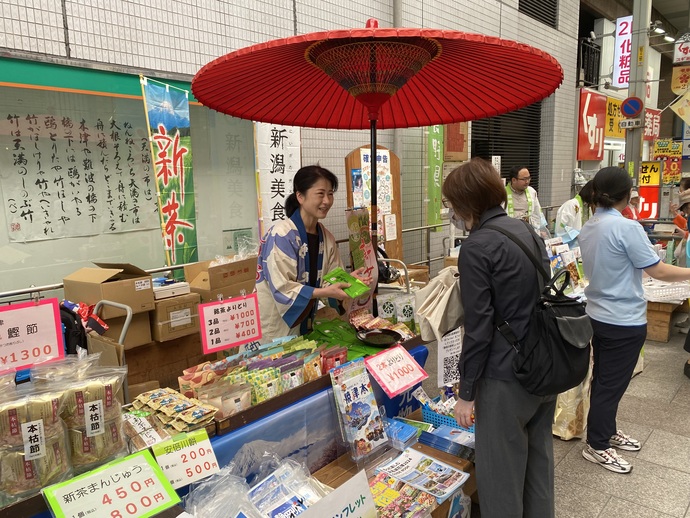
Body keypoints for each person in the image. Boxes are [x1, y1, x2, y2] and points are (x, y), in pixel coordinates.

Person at [443, 158, 556, 518]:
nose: (451, 212)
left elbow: (478, 329)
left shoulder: (477, 248)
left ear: (466, 204)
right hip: (543, 365)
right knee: (539, 463)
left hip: (504, 377)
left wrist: (466, 393)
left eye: (451, 205)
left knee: (500, 476)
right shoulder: (528, 232)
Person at [579, 166, 690, 474]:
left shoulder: (590, 225)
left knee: (604, 379)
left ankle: (606, 430)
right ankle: (597, 444)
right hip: (623, 319)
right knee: (610, 384)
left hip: (598, 315)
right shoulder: (627, 227)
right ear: (627, 195)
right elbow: (659, 270)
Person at [256, 165, 368, 340]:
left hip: (305, 326)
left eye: (330, 194)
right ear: (300, 196)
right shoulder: (281, 235)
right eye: (320, 193)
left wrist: (349, 282)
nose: (327, 201)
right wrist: (325, 292)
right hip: (274, 328)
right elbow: (283, 288)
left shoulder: (326, 238)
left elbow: (331, 280)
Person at [504, 165, 547, 234]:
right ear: (514, 180)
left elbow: (537, 212)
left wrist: (539, 228)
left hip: (528, 231)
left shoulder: (531, 191)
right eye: (524, 179)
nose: (527, 182)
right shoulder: (502, 193)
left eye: (529, 178)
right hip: (510, 232)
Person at [554, 180, 594, 245]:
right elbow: (561, 228)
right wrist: (577, 234)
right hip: (569, 246)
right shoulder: (571, 205)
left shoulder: (588, 207)